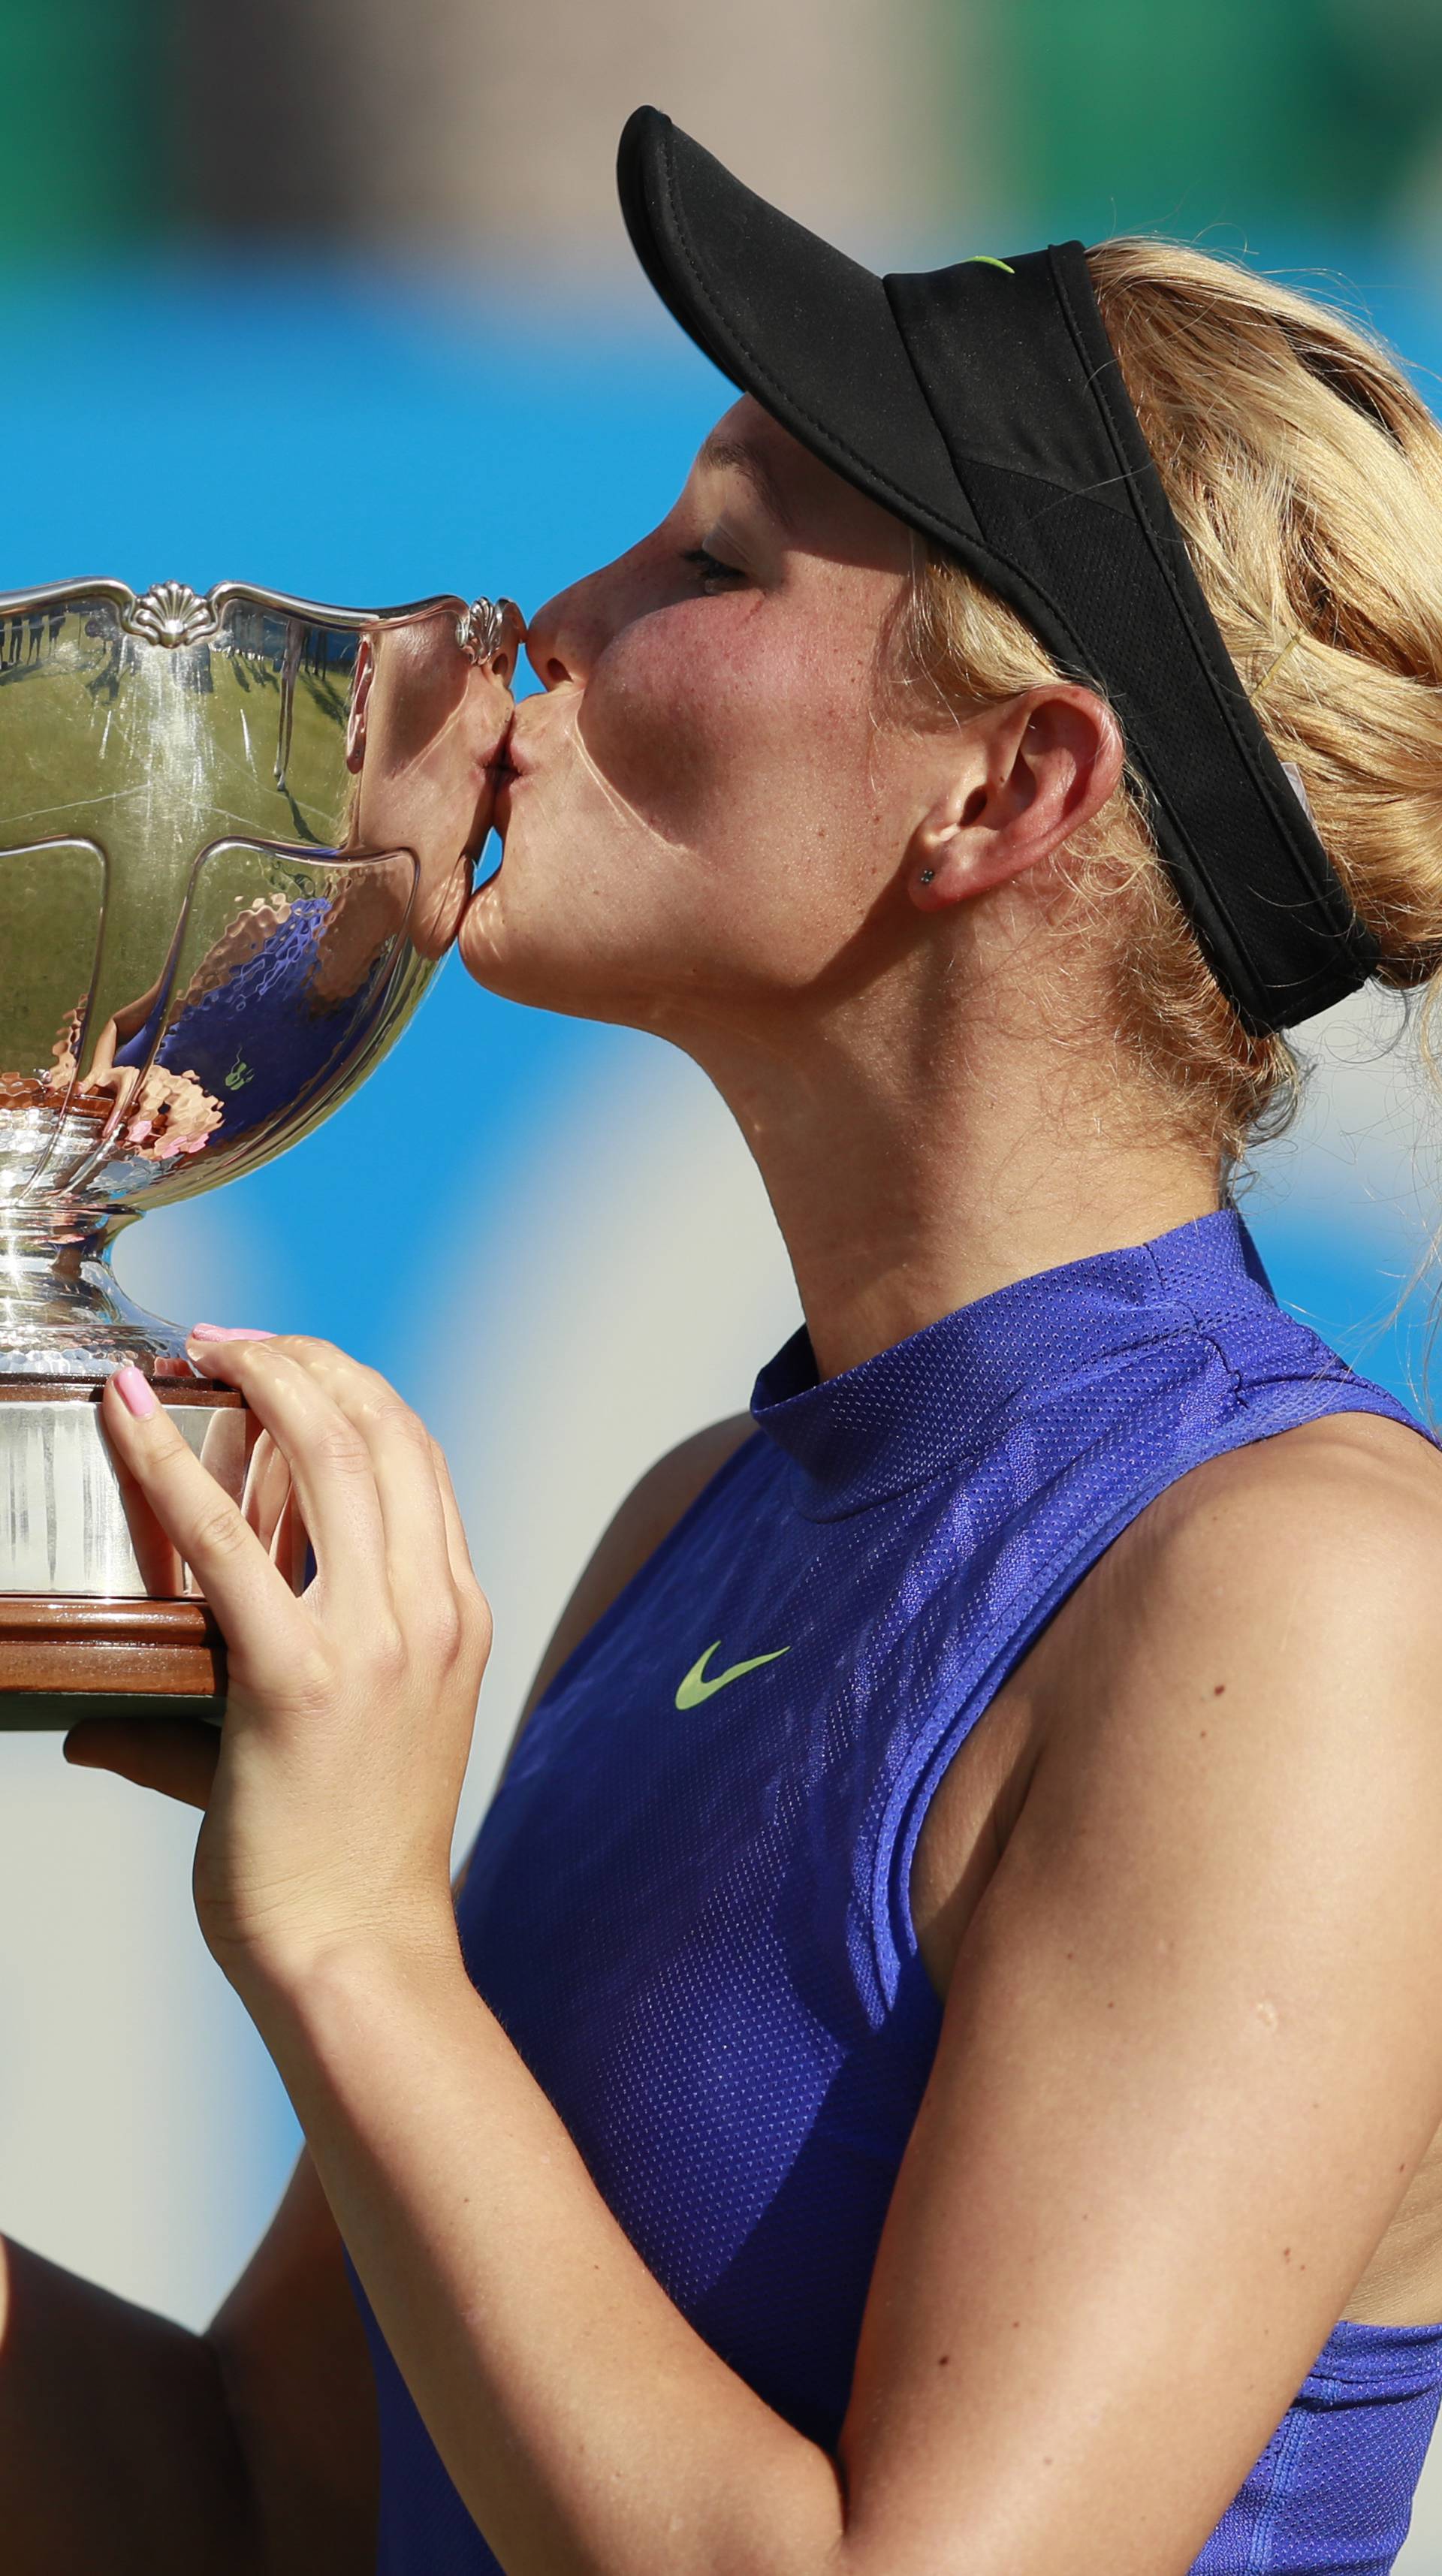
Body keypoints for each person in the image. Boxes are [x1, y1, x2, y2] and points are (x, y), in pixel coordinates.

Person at [7, 106, 1442, 2576]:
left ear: (1012, 782)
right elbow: (261, 2509)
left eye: (714, 552)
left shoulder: (1309, 1607)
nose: (548, 614)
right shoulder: (706, 1514)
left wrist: (359, 1943)